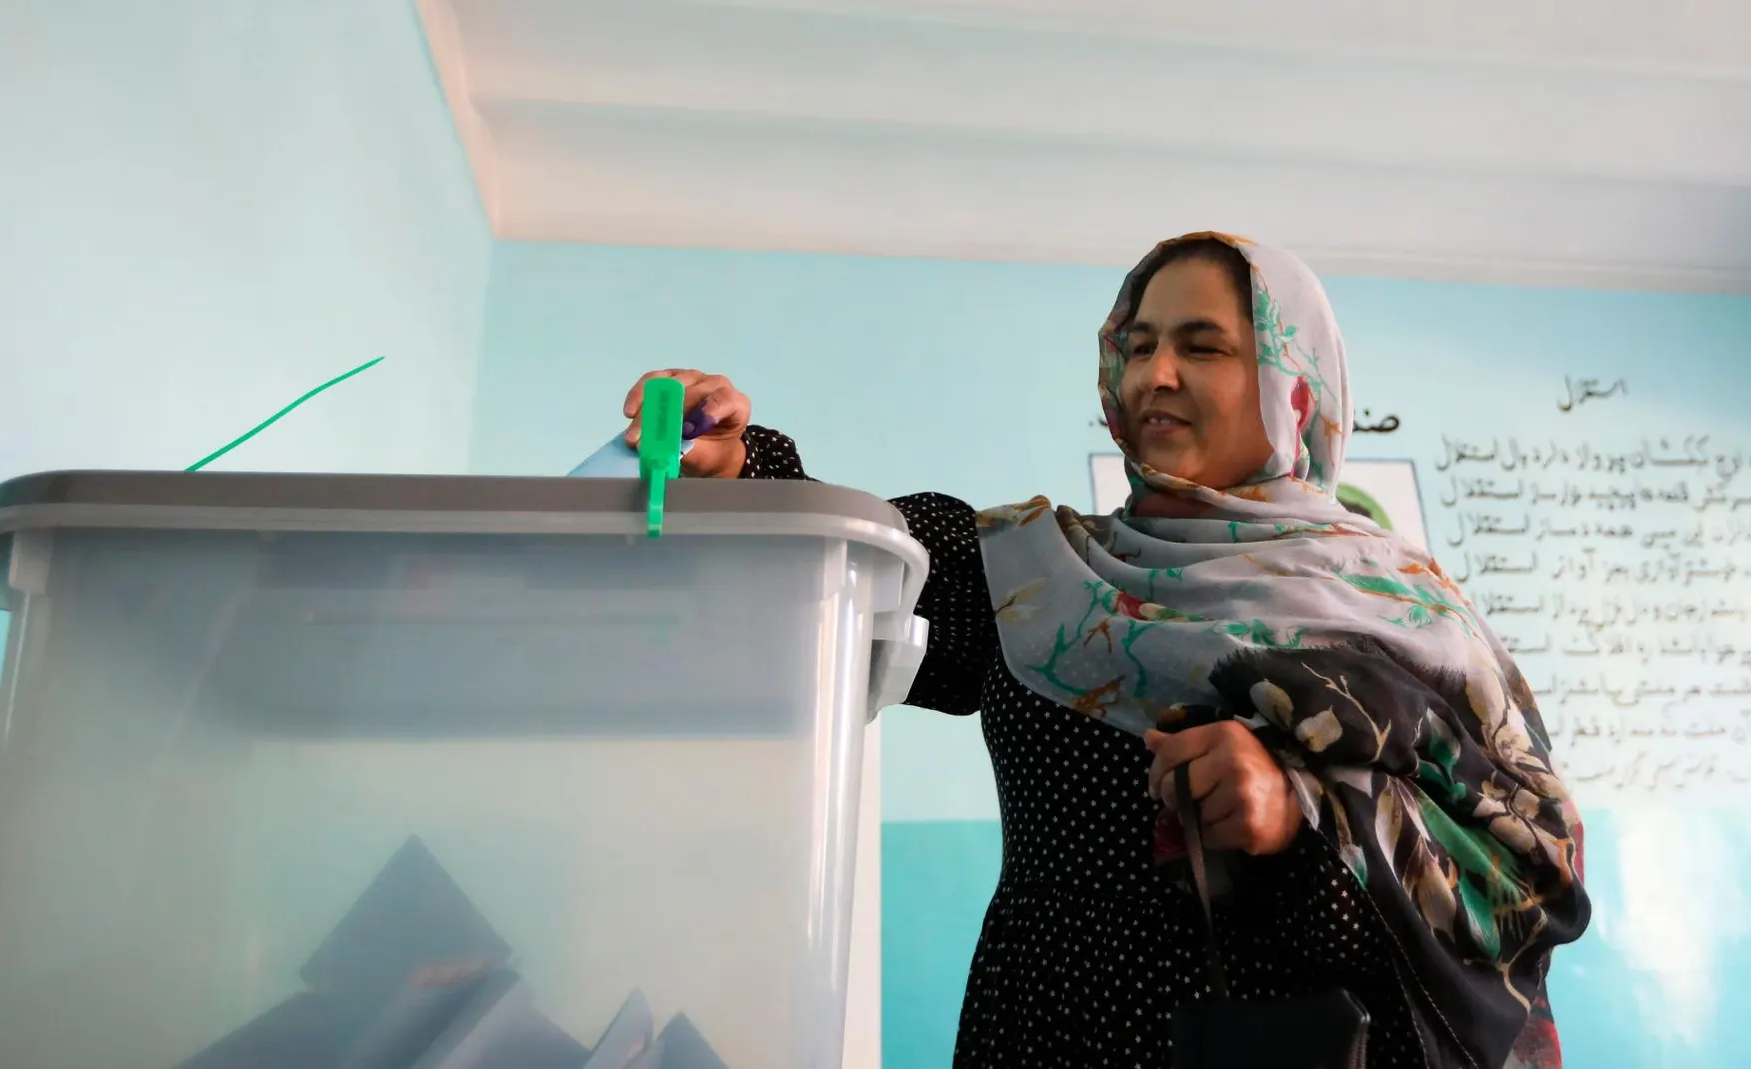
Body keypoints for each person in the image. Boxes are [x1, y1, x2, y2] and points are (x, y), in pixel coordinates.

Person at [620, 233, 1589, 1069]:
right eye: (1136, 344)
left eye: (1201, 345)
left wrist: (1307, 811)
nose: (1153, 374)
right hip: (1042, 1032)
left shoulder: (1407, 616)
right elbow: (862, 567)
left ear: (1294, 389)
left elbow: (1531, 876)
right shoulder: (1045, 575)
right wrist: (739, 466)